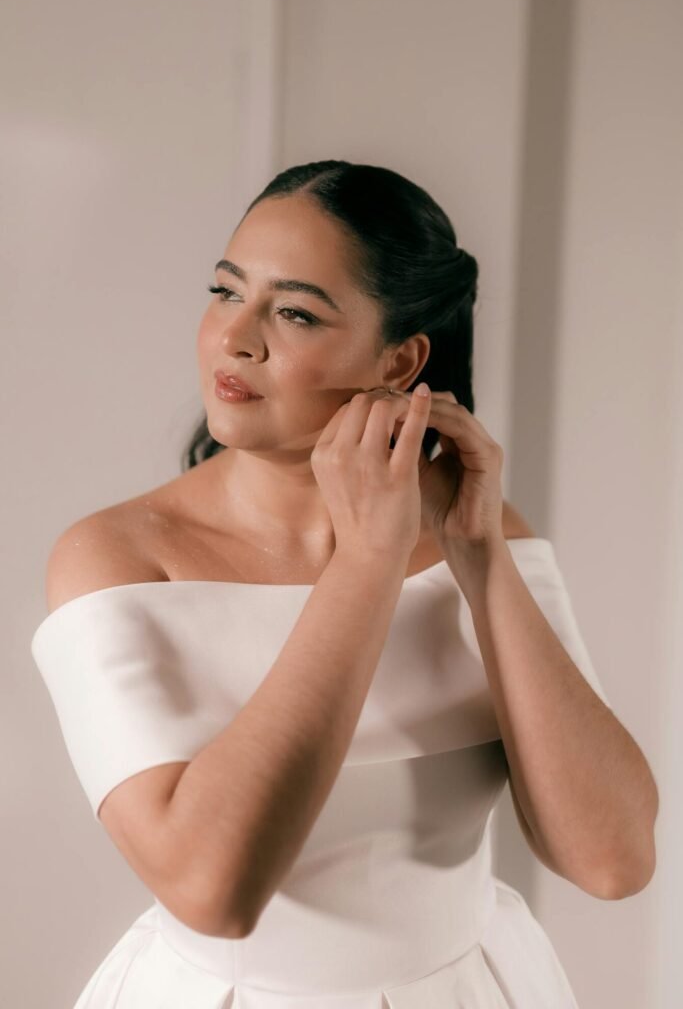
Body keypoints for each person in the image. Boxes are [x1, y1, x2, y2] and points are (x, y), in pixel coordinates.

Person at [30, 159, 658, 1008]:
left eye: (292, 312)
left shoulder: (483, 537)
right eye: (224, 292)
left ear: (399, 360)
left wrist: (477, 554)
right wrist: (367, 563)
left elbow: (612, 861)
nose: (235, 337)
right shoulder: (119, 558)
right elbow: (211, 891)